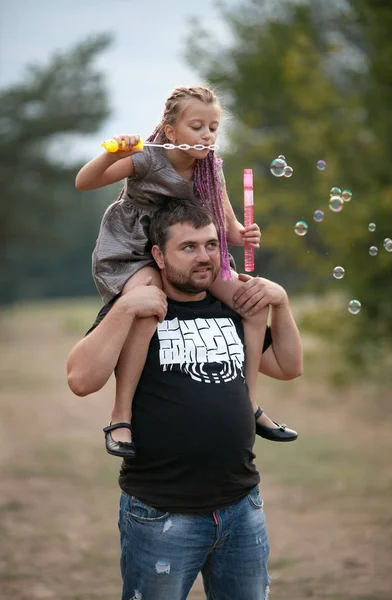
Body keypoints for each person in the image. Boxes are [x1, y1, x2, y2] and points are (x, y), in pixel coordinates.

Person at [67, 199, 303, 600]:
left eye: (211, 244)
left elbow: (287, 365)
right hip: (162, 513)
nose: (205, 256)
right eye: (188, 247)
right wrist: (123, 308)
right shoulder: (141, 310)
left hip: (242, 506)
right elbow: (80, 379)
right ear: (158, 255)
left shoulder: (229, 310)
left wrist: (280, 303)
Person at [75, 85, 297, 457]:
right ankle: (121, 416)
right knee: (148, 304)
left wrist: (246, 234)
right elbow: (85, 182)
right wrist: (113, 153)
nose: (207, 135)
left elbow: (228, 229)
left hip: (189, 252)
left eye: (213, 128)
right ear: (171, 129)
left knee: (253, 301)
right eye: (197, 126)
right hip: (134, 250)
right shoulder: (146, 159)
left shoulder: (212, 167)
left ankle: (248, 405)